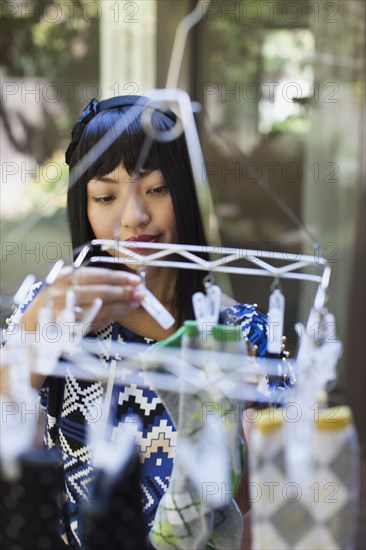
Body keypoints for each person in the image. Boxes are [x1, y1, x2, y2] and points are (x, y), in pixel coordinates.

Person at [18, 95, 268, 548]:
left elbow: (250, 502)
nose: (133, 218)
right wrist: (31, 338)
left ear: (186, 194)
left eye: (156, 189)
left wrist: (231, 415)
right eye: (106, 196)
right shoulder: (53, 312)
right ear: (85, 208)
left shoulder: (240, 331)